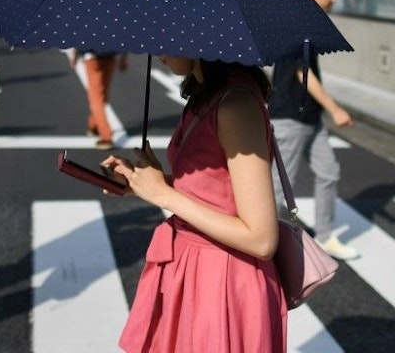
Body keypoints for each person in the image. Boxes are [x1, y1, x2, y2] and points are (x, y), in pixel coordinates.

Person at [101, 57, 286, 352]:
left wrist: (163, 195)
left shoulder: (236, 105)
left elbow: (261, 238)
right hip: (195, 268)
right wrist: (146, 185)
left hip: (224, 279)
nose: (157, 49)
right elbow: (212, 190)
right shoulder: (208, 93)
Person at [269, 0, 358, 261]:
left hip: (309, 117)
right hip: (288, 118)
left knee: (329, 172)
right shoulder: (298, 24)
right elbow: (300, 73)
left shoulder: (307, 21)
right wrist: (335, 108)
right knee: (280, 189)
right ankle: (265, 245)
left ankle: (325, 236)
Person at [70, 49, 128, 149]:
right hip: (110, 56)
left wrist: (74, 57)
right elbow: (125, 38)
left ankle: (106, 136)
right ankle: (93, 125)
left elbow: (78, 37)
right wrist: (123, 59)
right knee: (103, 95)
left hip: (92, 58)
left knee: (96, 99)